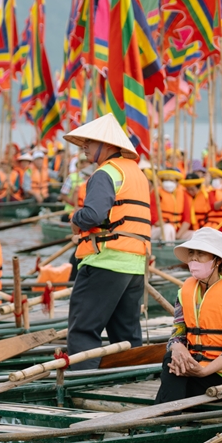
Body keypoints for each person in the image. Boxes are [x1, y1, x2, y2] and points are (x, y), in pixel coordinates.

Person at [65, 115, 151, 369]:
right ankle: (132, 377)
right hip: (134, 264)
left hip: (106, 260)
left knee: (83, 330)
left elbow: (93, 214)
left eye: (90, 142)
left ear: (109, 145)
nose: (85, 146)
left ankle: (83, 383)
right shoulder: (136, 173)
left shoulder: (106, 173)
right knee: (126, 332)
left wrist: (74, 218)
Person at [157, 227, 222, 402]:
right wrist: (177, 348)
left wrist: (203, 371)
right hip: (196, 366)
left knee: (174, 386)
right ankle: (169, 421)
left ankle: (164, 421)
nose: (194, 258)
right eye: (191, 253)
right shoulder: (185, 292)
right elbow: (177, 334)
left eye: (201, 253)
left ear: (217, 260)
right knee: (171, 358)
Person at [155, 169, 195, 241]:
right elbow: (153, 219)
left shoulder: (183, 194)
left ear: (177, 183)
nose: (168, 183)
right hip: (159, 228)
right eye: (166, 180)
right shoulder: (156, 193)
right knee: (169, 229)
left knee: (194, 234)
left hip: (178, 230)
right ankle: (168, 251)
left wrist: (178, 235)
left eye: (171, 180)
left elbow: (187, 220)